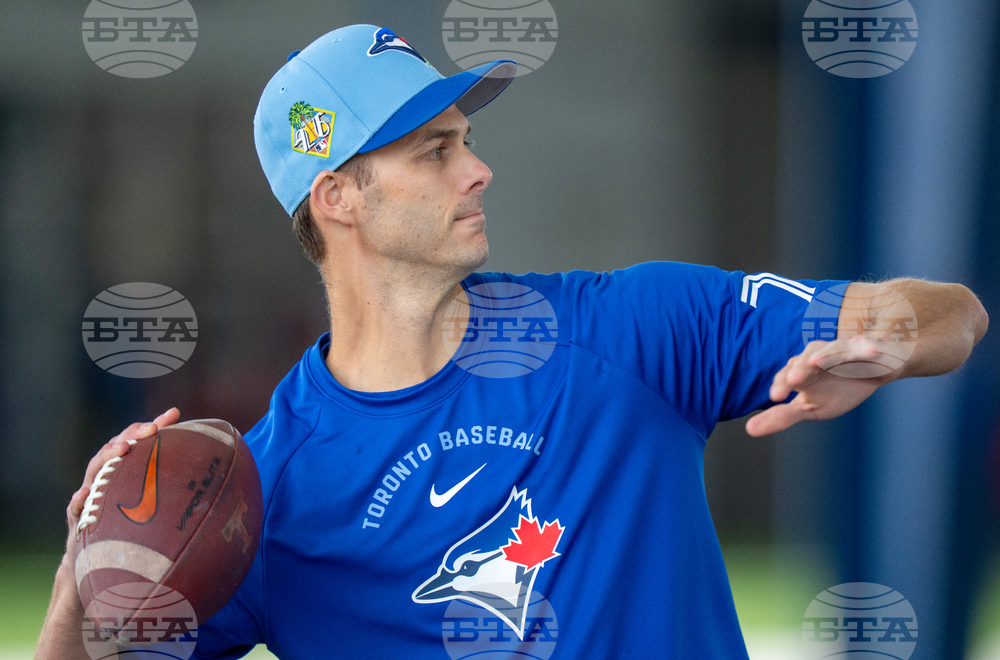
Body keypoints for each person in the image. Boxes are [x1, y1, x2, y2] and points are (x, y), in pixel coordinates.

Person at [36, 23, 989, 660]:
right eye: (435, 151)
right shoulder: (260, 493)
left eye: (466, 140)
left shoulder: (636, 329)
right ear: (338, 198)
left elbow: (955, 312)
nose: (480, 170)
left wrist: (893, 344)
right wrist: (83, 586)